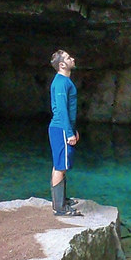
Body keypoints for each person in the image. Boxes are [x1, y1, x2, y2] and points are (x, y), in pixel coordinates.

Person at [49, 49, 82, 216]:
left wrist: (73, 130)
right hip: (61, 128)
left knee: (60, 164)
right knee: (61, 166)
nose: (73, 58)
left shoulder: (63, 81)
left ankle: (61, 200)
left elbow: (67, 110)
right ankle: (59, 208)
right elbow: (61, 109)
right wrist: (68, 133)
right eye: (69, 57)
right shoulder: (61, 82)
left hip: (62, 127)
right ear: (62, 64)